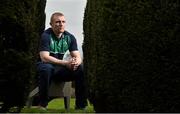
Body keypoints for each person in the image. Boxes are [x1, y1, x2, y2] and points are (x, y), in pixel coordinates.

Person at [36, 12, 87, 110]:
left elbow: (78, 56)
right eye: (58, 22)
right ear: (51, 24)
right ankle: (42, 105)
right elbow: (44, 57)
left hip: (58, 69)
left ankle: (80, 106)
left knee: (80, 69)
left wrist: (75, 63)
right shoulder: (46, 36)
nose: (61, 24)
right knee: (47, 68)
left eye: (63, 22)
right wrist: (66, 63)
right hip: (44, 66)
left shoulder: (70, 37)